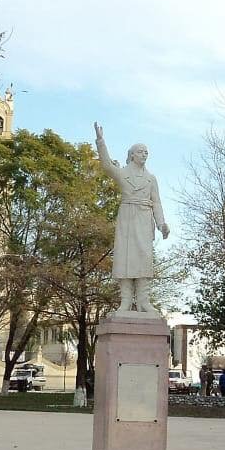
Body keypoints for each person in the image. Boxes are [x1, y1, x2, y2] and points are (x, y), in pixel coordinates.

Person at [94, 123, 169, 313]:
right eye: (141, 151)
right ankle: (125, 301)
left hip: (144, 219)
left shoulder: (151, 179)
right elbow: (106, 165)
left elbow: (157, 202)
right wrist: (101, 141)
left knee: (144, 257)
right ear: (132, 155)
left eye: (146, 152)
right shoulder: (123, 173)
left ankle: (144, 300)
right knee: (125, 258)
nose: (144, 154)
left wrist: (162, 224)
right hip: (127, 217)